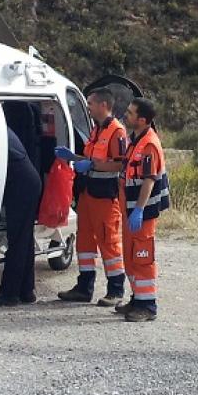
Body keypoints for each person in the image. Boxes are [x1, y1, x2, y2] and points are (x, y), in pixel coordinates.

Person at [53, 89, 129, 306]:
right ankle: (84, 287)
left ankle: (116, 290)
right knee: (85, 241)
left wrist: (92, 164)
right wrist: (73, 157)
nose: (88, 107)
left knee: (109, 242)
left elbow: (119, 163)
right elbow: (90, 158)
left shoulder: (117, 132)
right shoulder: (98, 130)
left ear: (104, 104)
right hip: (88, 193)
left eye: (91, 104)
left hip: (105, 195)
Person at [117, 97, 169, 322]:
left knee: (142, 256)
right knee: (131, 256)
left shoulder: (149, 145)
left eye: (130, 113)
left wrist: (139, 209)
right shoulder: (135, 140)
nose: (125, 115)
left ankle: (148, 306)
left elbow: (148, 181)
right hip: (131, 210)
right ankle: (137, 299)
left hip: (143, 212)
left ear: (142, 119)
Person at [0, 127, 43, 306]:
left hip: (22, 186)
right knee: (25, 239)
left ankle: (9, 293)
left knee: (17, 240)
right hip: (29, 182)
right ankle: (26, 290)